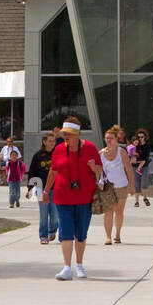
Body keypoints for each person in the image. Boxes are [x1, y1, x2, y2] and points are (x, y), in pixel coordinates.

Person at [42, 117, 103, 280]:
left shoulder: (90, 148)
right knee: (66, 232)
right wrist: (46, 190)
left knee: (81, 233)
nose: (66, 137)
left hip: (84, 198)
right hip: (63, 197)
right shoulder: (59, 149)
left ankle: (80, 265)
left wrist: (93, 167)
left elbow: (100, 171)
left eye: (69, 134)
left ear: (77, 134)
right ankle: (67, 267)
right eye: (64, 134)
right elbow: (53, 171)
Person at [100, 125, 135, 244]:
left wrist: (132, 186)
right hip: (106, 187)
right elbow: (96, 171)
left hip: (121, 185)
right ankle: (108, 237)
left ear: (116, 139)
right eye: (107, 138)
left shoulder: (122, 152)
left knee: (119, 212)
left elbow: (129, 169)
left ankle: (117, 234)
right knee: (108, 211)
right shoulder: (100, 153)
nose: (108, 140)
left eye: (111, 138)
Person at [27, 133, 58, 244]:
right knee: (44, 214)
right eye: (50, 141)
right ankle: (43, 236)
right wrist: (30, 188)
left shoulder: (57, 154)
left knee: (55, 215)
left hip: (55, 188)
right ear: (44, 142)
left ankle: (52, 231)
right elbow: (32, 172)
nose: (52, 143)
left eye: (54, 141)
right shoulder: (38, 155)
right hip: (40, 187)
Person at [131, 129, 152, 207]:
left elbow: (145, 157)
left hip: (145, 166)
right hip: (135, 167)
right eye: (138, 137)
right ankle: (136, 201)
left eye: (142, 137)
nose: (140, 138)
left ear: (145, 137)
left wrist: (137, 160)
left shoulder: (147, 145)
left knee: (144, 183)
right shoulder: (135, 145)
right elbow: (130, 154)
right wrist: (133, 159)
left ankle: (145, 198)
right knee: (137, 184)